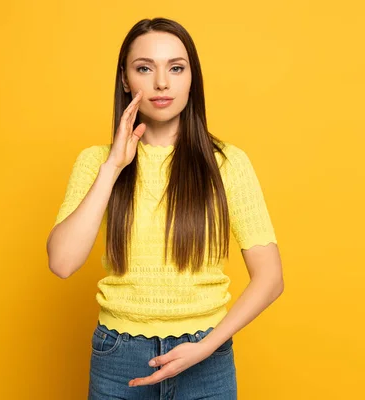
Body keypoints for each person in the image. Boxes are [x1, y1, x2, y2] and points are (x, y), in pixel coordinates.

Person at [46, 17, 284, 400]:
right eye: (144, 68)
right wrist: (113, 168)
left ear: (192, 78)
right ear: (125, 79)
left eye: (176, 68)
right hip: (118, 356)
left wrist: (207, 347)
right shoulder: (96, 162)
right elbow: (62, 262)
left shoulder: (227, 163)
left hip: (206, 355)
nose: (161, 83)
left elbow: (270, 277)